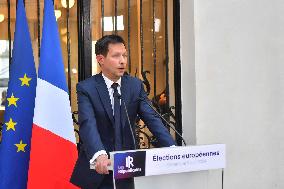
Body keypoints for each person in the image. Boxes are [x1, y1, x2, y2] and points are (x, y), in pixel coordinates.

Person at [70, 35, 175, 189]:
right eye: (116, 56)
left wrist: (171, 149)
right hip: (100, 169)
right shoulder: (87, 88)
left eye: (124, 55)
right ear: (101, 59)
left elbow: (152, 118)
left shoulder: (135, 86)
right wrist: (99, 154)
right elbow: (88, 124)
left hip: (129, 167)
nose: (123, 61)